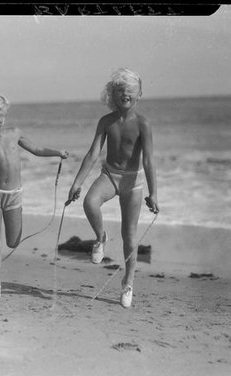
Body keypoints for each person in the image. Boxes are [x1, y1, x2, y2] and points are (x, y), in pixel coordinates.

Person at [0, 81, 69, 300]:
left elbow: (36, 150)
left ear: (5, 115)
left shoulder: (15, 133)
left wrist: (58, 152)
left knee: (13, 241)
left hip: (14, 196)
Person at [67, 68, 159, 308]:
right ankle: (100, 238)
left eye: (130, 90)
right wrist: (77, 182)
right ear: (112, 95)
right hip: (110, 175)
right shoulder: (106, 122)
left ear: (139, 94)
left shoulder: (143, 123)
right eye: (119, 91)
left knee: (129, 235)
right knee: (89, 203)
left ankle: (128, 282)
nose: (124, 94)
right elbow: (93, 153)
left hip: (133, 182)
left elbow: (149, 160)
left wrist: (154, 193)